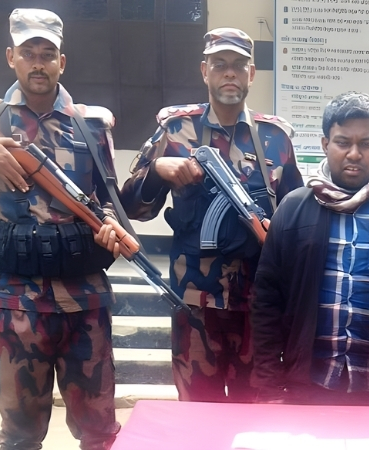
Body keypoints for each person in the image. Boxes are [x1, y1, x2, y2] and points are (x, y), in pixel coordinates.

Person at [0, 8, 122, 450]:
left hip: (85, 297)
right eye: (29, 53)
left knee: (100, 432)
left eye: (47, 54)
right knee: (19, 434)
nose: (38, 63)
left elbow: (109, 196)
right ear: (11, 57)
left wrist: (111, 225)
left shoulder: (91, 123)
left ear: (61, 62)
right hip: (19, 299)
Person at [119, 27, 303, 403]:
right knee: (197, 412)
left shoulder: (276, 138)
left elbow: (296, 218)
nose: (229, 73)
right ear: (205, 71)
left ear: (252, 74)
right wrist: (157, 171)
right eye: (219, 64)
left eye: (238, 65)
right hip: (195, 303)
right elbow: (132, 209)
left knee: (254, 411)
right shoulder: (175, 131)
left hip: (258, 304)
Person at [251, 92, 369, 406]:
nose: (354, 153)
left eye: (366, 143)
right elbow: (266, 303)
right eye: (343, 142)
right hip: (305, 391)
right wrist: (270, 389)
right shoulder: (293, 209)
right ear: (325, 144)